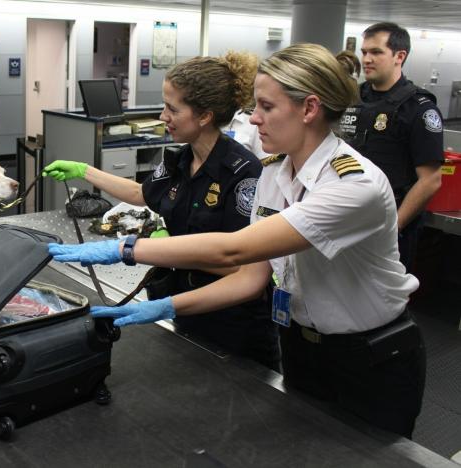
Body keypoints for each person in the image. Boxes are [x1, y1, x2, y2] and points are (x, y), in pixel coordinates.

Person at [48, 43, 427, 439]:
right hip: (300, 347)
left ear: (309, 109)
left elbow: (235, 249)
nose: (252, 118)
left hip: (368, 357)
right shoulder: (273, 175)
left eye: (265, 106)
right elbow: (250, 278)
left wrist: (124, 250)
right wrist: (165, 306)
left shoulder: (353, 185)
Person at [43, 51, 280, 370]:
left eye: (172, 108)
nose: (162, 115)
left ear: (205, 116)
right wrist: (84, 171)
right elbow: (143, 194)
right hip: (185, 308)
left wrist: (153, 249)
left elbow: (241, 268)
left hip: (231, 326)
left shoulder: (243, 174)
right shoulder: (181, 160)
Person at [339, 22, 443, 271]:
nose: (367, 59)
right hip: (347, 215)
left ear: (400, 56)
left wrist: (394, 227)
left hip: (389, 222)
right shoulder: (353, 99)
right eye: (364, 52)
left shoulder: (418, 108)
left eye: (376, 52)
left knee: (383, 302)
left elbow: (431, 180)